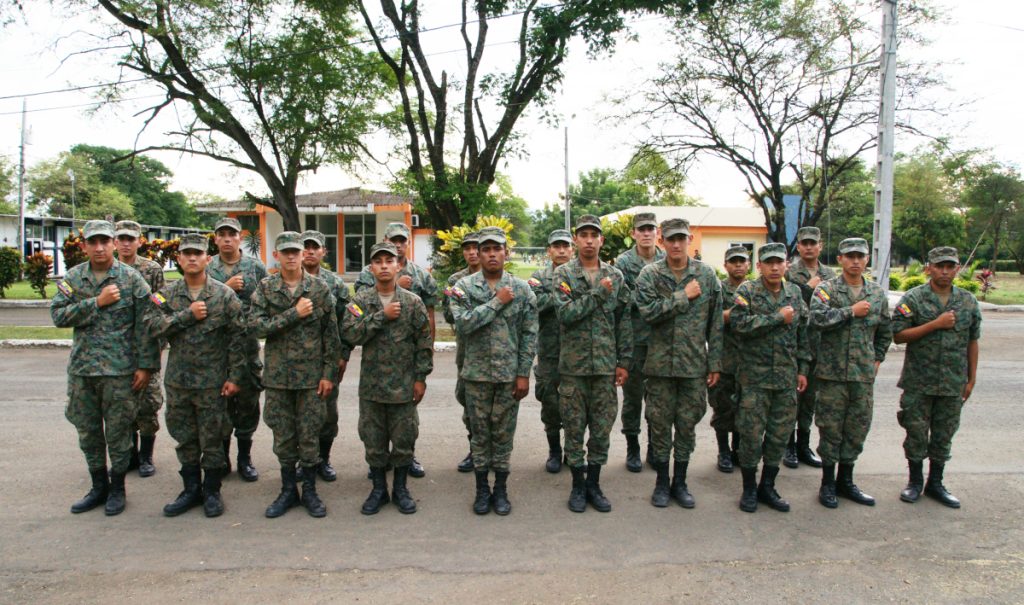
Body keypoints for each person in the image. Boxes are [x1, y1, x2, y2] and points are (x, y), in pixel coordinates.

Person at [52, 220, 160, 516]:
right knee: (88, 431)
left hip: (120, 371)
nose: (99, 247)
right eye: (93, 242)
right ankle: (97, 485)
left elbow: (147, 323)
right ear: (84, 245)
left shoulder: (131, 278)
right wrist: (95, 303)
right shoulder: (73, 278)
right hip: (83, 371)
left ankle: (117, 488)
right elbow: (58, 315)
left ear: (113, 243)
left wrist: (146, 366)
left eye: (104, 241)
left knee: (119, 432)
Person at [145, 233, 245, 518]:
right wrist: (185, 316)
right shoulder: (166, 294)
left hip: (213, 383)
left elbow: (239, 339)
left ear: (207, 259)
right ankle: (190, 490)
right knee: (185, 438)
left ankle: (212, 491)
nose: (191, 258)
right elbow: (150, 326)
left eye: (197, 254)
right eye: (186, 253)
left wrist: (235, 377)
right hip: (179, 381)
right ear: (178, 259)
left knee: (212, 438)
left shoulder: (224, 296)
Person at [251, 232, 341, 518]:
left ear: (304, 255)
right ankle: (288, 489)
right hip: (278, 379)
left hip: (311, 379)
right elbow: (255, 326)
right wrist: (294, 313)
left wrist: (329, 375)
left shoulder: (319, 289)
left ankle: (311, 491)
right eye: (285, 252)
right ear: (276, 255)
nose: (291, 256)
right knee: (283, 435)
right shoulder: (265, 288)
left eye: (296, 251)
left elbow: (331, 336)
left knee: (311, 433)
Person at [635, 218, 723, 509]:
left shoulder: (707, 276)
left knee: (686, 425)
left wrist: (715, 363)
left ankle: (680, 482)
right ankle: (661, 482)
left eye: (681, 239)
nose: (676, 244)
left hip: (693, 367)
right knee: (659, 425)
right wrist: (682, 297)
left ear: (689, 241)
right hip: (659, 367)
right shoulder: (650, 274)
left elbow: (715, 325)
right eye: (671, 239)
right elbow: (647, 312)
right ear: (662, 241)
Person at [343, 242, 434, 515]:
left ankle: (401, 489)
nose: (384, 265)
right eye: (378, 261)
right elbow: (349, 334)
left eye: (389, 261)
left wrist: (421, 379)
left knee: (405, 437)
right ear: (371, 268)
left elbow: (423, 343)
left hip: (404, 386)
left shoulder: (412, 302)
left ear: (398, 266)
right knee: (373, 439)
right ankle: (379, 489)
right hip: (372, 386)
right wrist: (381, 316)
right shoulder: (360, 302)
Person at [452, 227, 538, 515]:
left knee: (503, 434)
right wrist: (496, 301)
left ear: (506, 253)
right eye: (485, 249)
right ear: (478, 252)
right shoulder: (463, 287)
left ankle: (500, 489)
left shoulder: (523, 289)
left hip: (507, 376)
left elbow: (529, 334)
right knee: (479, 434)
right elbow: (462, 324)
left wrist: (524, 372)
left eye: (496, 249)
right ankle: (481, 489)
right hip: (475, 375)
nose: (491, 254)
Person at [553, 215, 632, 513]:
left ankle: (594, 484)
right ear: (576, 239)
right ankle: (576, 485)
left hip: (603, 368)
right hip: (573, 367)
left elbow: (623, 322)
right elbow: (566, 314)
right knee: (573, 429)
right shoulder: (563, 274)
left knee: (601, 429)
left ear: (601, 240)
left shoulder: (617, 276)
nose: (588, 240)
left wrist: (623, 361)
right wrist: (598, 293)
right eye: (583, 234)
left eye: (593, 235)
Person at [892, 246, 981, 509]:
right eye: (939, 265)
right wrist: (935, 324)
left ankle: (936, 483)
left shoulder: (967, 301)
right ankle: (915, 482)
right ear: (928, 268)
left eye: (950, 266)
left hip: (953, 382)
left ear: (957, 268)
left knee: (944, 434)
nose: (944, 271)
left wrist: (971, 378)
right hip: (919, 381)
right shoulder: (914, 299)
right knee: (916, 433)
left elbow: (972, 341)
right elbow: (898, 335)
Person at [808, 238, 892, 508]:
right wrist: (850, 312)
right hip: (831, 375)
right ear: (840, 259)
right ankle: (828, 484)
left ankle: (847, 481)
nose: (855, 261)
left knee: (857, 429)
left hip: (862, 376)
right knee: (830, 429)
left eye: (860, 256)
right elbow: (816, 319)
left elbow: (885, 331)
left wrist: (877, 359)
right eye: (850, 256)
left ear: (867, 259)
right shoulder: (826, 289)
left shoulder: (877, 294)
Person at [730, 242, 811, 513]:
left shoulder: (795, 293)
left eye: (779, 262)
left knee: (778, 436)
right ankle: (749, 488)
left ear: (786, 264)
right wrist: (777, 317)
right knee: (751, 436)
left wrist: (803, 369)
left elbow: (803, 334)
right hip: (754, 379)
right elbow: (739, 325)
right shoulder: (747, 291)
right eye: (769, 262)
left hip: (786, 379)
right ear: (759, 266)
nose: (775, 267)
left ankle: (768, 485)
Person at [355, 222, 438, 477]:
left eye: (402, 241)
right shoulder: (365, 285)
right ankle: (378, 470)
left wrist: (423, 366)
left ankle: (405, 461)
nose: (399, 244)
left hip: (403, 373)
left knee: (406, 425)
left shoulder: (420, 279)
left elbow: (428, 318)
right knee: (373, 428)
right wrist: (384, 311)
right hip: (374, 377)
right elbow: (351, 328)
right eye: (394, 240)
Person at [207, 217, 267, 482]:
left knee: (247, 402)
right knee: (218, 404)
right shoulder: (208, 268)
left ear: (240, 237)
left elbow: (267, 300)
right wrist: (225, 289)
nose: (227, 239)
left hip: (246, 346)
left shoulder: (255, 267)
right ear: (216, 239)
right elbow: (197, 302)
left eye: (232, 234)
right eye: (222, 234)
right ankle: (222, 457)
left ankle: (245, 458)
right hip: (216, 347)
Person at [614, 212, 665, 472]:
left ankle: (654, 448)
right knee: (633, 398)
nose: (646, 234)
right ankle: (632, 447)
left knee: (657, 399)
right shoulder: (623, 263)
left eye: (650, 229)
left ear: (657, 233)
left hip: (660, 341)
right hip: (634, 339)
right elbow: (622, 301)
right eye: (641, 229)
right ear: (633, 233)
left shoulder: (666, 260)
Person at [114, 220, 166, 478]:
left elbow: (160, 307)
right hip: (115, 352)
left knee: (148, 405)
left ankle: (146, 456)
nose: (125, 243)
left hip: (145, 348)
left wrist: (155, 350)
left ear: (139, 241)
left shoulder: (151, 269)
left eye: (130, 239)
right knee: (121, 406)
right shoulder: (107, 270)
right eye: (121, 238)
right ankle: (129, 455)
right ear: (115, 242)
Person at [299, 230, 352, 482]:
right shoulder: (284, 281)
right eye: (305, 246)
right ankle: (304, 460)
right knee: (298, 414)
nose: (310, 251)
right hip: (294, 361)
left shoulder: (336, 284)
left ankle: (324, 458)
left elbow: (348, 321)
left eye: (314, 247)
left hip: (326, 360)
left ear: (323, 252)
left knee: (328, 412)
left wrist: (343, 355)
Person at [783, 225, 835, 469]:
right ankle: (789, 446)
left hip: (820, 345)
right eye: (804, 243)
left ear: (820, 246)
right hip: (794, 344)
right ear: (799, 247)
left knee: (810, 399)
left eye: (813, 243)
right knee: (792, 397)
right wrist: (809, 288)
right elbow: (791, 304)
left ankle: (804, 445)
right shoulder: (790, 273)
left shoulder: (831, 274)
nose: (809, 247)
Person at [529, 229, 574, 473]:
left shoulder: (579, 275)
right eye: (556, 246)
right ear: (549, 251)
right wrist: (564, 296)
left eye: (565, 246)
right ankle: (554, 450)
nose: (561, 250)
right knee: (550, 403)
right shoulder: (538, 277)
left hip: (576, 353)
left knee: (575, 404)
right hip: (548, 351)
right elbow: (535, 303)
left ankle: (573, 451)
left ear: (572, 249)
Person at [708, 246, 750, 473]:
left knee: (745, 408)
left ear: (749, 265)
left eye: (742, 261)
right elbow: (713, 320)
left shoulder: (755, 289)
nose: (738, 265)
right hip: (724, 358)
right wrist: (737, 314)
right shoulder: (719, 289)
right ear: (726, 265)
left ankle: (738, 449)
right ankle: (723, 451)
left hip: (749, 360)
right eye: (733, 262)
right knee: (723, 407)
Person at [442, 231, 481, 473]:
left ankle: (491, 454)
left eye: (476, 247)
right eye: (467, 248)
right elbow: (449, 313)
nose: (472, 252)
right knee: (468, 401)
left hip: (495, 351)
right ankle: (474, 449)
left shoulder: (499, 278)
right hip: (467, 350)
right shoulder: (455, 281)